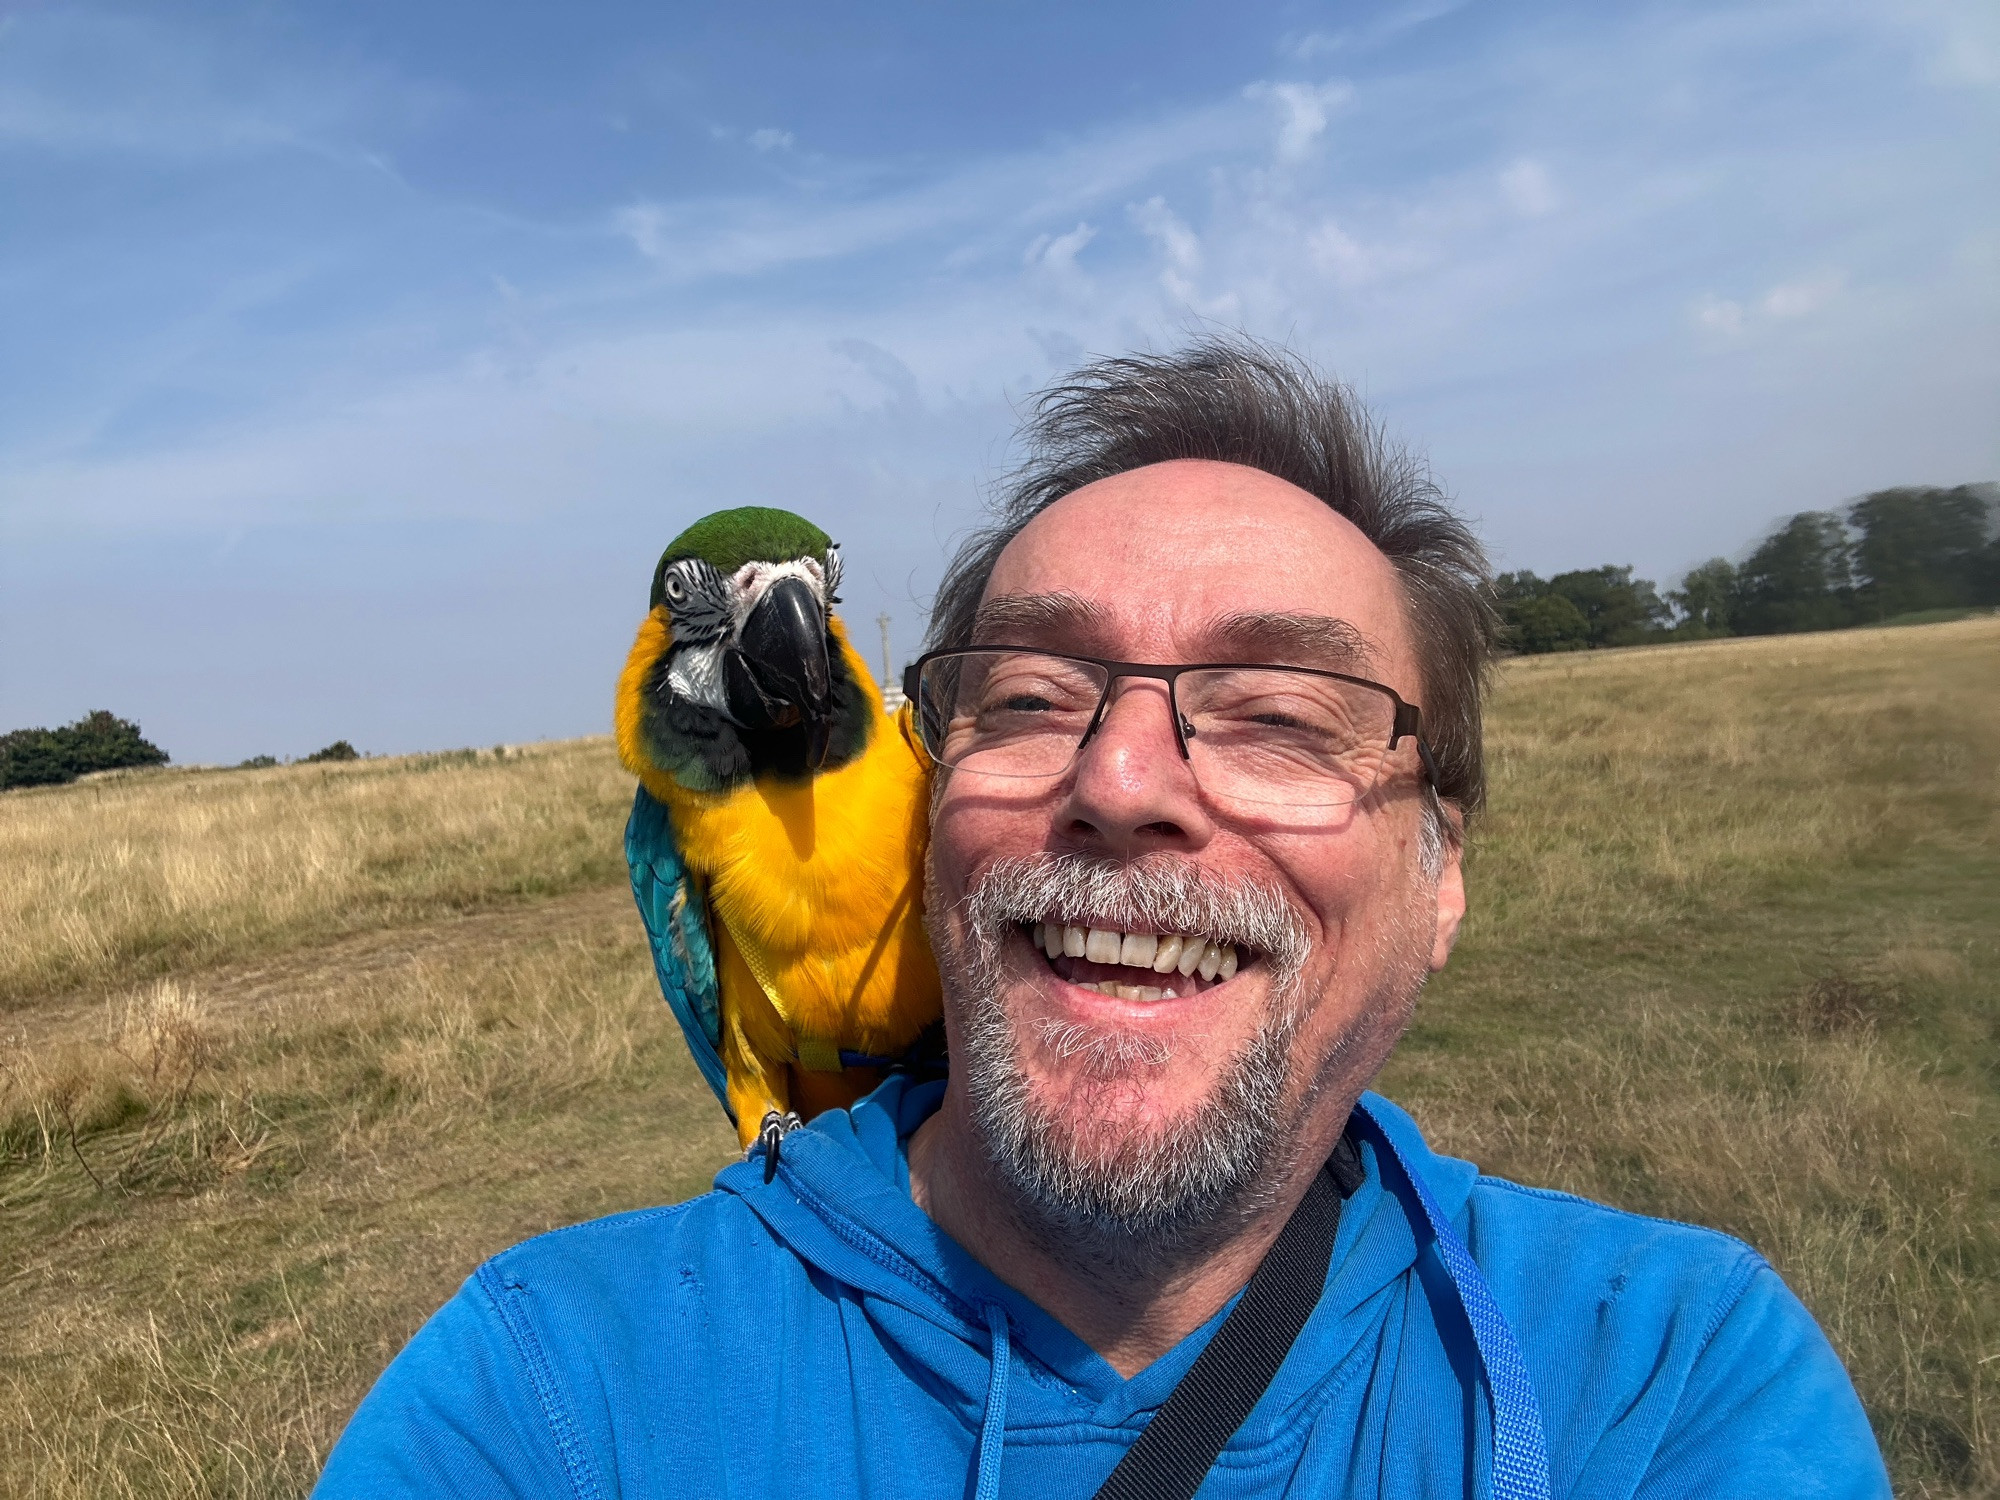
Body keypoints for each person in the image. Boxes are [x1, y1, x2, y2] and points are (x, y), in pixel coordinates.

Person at [314, 340, 1888, 1498]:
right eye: (1032, 696)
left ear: (1443, 874)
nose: (1122, 779)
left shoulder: (1668, 1379)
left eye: (1279, 711)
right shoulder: (546, 1396)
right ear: (947, 802)